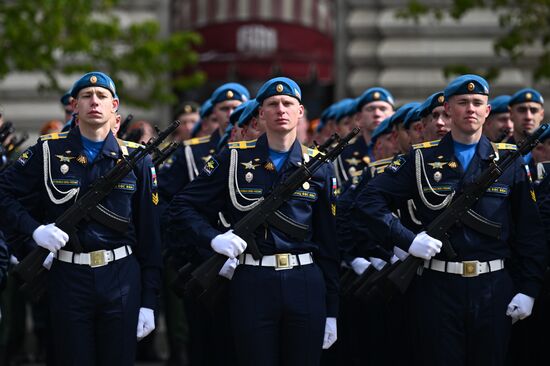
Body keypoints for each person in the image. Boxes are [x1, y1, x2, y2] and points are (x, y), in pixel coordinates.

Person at [355, 74, 547, 366]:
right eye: (462, 102)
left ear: (487, 111)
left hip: (492, 286)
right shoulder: (422, 159)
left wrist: (529, 289)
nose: (470, 108)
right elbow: (368, 201)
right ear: (448, 111)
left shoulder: (508, 163)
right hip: (437, 286)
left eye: (477, 103)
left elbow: (529, 232)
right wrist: (409, 239)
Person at [167, 77, 339, 366]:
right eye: (272, 104)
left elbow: (329, 242)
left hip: (304, 281)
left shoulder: (319, 166)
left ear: (300, 113)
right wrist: (213, 238)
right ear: (260, 114)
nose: (280, 109)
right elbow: (182, 206)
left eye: (288, 104)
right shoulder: (233, 159)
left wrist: (332, 308)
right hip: (252, 279)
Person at [0, 71, 161, 366]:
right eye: (86, 96)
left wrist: (150, 301)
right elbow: (4, 194)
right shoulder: (48, 151)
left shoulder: (137, 159)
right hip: (68, 276)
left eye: (101, 97)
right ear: (75, 106)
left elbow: (150, 235)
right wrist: (34, 231)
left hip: (121, 276)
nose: (94, 102)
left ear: (115, 106)